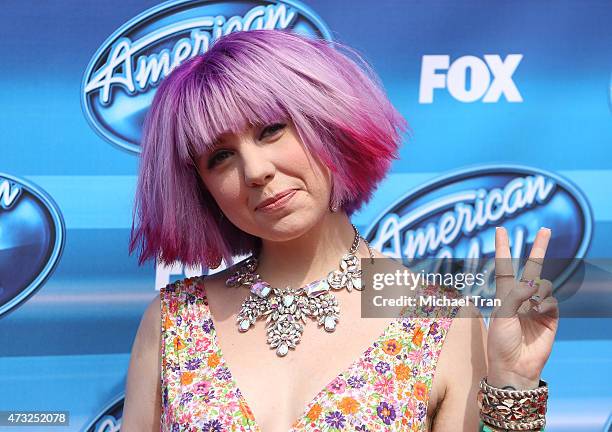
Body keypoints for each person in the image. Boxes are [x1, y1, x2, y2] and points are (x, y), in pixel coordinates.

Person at [121, 29, 559, 431]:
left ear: (327, 125)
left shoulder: (441, 320)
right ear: (199, 187)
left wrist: (514, 390)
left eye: (272, 130)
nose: (255, 170)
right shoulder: (173, 320)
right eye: (220, 156)